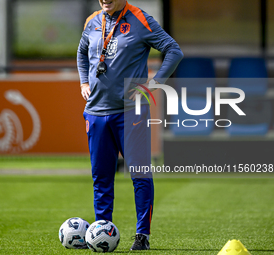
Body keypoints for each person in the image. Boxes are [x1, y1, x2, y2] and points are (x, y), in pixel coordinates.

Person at [77, 0, 183, 250]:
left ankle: (142, 236)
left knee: (140, 174)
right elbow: (82, 53)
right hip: (95, 111)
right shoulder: (92, 21)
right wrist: (83, 81)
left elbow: (173, 51)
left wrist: (154, 85)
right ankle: (102, 232)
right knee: (101, 177)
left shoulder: (141, 19)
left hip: (131, 111)